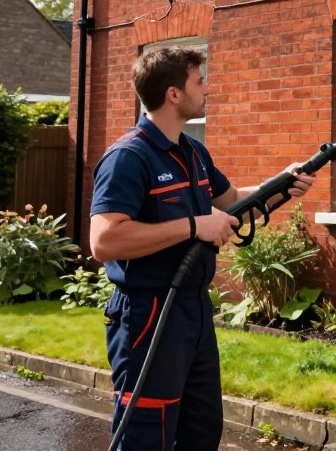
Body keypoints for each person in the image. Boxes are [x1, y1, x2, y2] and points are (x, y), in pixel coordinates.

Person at [89, 47, 315, 450]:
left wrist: (283, 184)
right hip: (148, 313)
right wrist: (195, 225)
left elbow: (234, 203)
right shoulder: (128, 157)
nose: (207, 88)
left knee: (201, 428)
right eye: (200, 81)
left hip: (193, 310)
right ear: (174, 94)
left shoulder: (193, 152)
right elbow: (104, 241)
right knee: (148, 433)